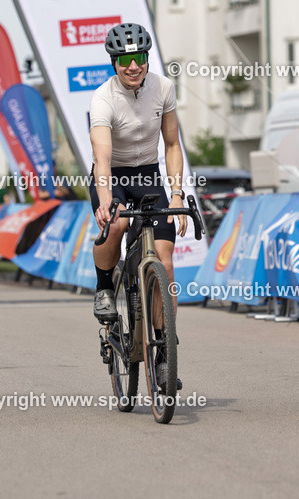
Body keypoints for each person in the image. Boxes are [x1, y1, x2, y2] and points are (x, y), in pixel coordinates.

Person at [89, 23, 187, 386]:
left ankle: (163, 354)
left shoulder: (163, 88)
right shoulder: (102, 98)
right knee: (115, 224)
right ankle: (103, 286)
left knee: (165, 261)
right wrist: (105, 202)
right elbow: (101, 156)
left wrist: (176, 192)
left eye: (140, 58)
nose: (134, 66)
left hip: (147, 174)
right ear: (115, 62)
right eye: (126, 59)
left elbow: (173, 145)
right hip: (112, 174)